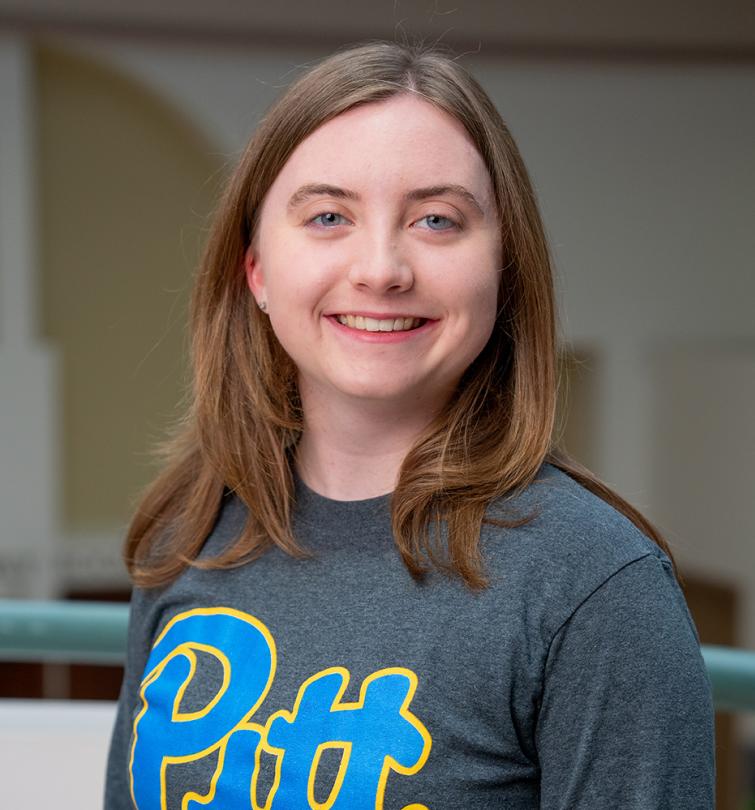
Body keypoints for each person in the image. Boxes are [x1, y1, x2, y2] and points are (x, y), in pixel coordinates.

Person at [105, 41, 714, 809]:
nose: (382, 268)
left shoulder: (594, 588)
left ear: (503, 268)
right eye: (328, 216)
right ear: (254, 269)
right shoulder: (184, 535)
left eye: (435, 219)